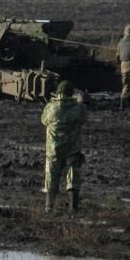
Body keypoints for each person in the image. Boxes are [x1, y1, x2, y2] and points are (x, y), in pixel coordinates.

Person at [41, 81, 87, 214]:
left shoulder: (50, 107)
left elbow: (43, 120)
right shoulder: (78, 109)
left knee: (51, 177)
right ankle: (73, 208)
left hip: (53, 149)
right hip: (72, 149)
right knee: (73, 177)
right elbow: (84, 119)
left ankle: (49, 206)